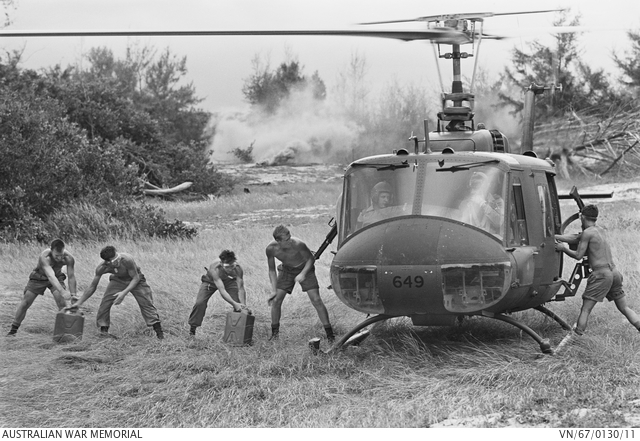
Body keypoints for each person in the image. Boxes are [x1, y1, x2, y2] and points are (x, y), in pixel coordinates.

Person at [555, 204, 640, 338]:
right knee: (624, 308)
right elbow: (577, 238)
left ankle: (576, 339)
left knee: (586, 309)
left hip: (601, 275)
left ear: (582, 217)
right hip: (615, 273)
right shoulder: (600, 230)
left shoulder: (587, 233)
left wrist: (563, 248)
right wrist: (556, 236)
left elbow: (578, 255)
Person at [70, 245, 164, 339]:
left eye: (118, 258)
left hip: (136, 279)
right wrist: (79, 302)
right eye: (114, 261)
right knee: (105, 304)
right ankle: (104, 332)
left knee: (146, 303)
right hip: (118, 280)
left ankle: (159, 333)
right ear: (107, 262)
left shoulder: (127, 260)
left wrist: (123, 293)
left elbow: (135, 278)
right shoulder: (102, 268)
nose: (118, 261)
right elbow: (92, 287)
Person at [266, 225, 335, 342]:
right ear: (278, 241)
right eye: (286, 240)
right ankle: (274, 335)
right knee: (276, 300)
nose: (290, 241)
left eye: (290, 237)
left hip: (305, 269)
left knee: (316, 300)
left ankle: (330, 335)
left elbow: (311, 259)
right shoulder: (270, 249)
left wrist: (303, 274)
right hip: (287, 270)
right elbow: (272, 270)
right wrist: (273, 290)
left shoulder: (298, 244)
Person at [7, 239, 77, 336]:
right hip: (39, 277)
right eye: (57, 256)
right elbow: (50, 276)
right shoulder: (44, 257)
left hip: (57, 277)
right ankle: (13, 331)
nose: (60, 258)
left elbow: (71, 276)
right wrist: (63, 292)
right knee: (26, 302)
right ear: (51, 250)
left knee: (61, 302)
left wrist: (73, 295)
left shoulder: (69, 258)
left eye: (61, 255)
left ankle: (62, 333)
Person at [188, 249, 249, 336]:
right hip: (211, 281)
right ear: (221, 264)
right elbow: (222, 290)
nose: (230, 269)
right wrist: (234, 304)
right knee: (200, 302)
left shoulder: (238, 268)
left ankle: (238, 333)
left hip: (229, 281)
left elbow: (241, 288)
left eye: (232, 266)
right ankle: (193, 328)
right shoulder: (215, 268)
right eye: (227, 267)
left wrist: (243, 305)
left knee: (239, 304)